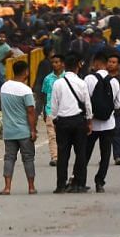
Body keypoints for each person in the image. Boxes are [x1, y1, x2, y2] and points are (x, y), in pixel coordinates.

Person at [51, 52, 92, 193]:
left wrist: (55, 121)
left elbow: (54, 105)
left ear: (64, 66)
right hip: (79, 121)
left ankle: (61, 184)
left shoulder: (58, 83)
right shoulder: (82, 83)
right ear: (77, 67)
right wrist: (89, 121)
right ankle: (80, 183)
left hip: (62, 121)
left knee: (63, 154)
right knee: (80, 153)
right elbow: (87, 104)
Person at [82, 50, 120, 193]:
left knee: (85, 153)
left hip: (92, 123)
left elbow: (85, 101)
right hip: (108, 124)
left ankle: (80, 179)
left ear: (97, 63)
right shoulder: (114, 81)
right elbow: (117, 105)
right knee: (105, 155)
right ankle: (100, 182)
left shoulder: (89, 79)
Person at [0, 59, 38, 196]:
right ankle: (31, 187)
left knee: (9, 158)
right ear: (26, 72)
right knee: (28, 159)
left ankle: (7, 187)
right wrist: (33, 130)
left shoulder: (4, 87)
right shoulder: (26, 90)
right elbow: (31, 111)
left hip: (9, 131)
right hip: (24, 131)